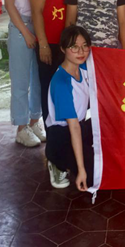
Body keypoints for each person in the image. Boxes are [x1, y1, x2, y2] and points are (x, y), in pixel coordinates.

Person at [29, 0, 84, 122]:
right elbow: (36, 12)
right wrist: (43, 44)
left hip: (75, 46)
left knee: (75, 88)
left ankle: (73, 131)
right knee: (50, 88)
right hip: (51, 44)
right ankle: (52, 132)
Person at [0, 0, 45, 147]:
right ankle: (20, 127)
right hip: (20, 27)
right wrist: (26, 33)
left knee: (39, 79)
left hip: (41, 25)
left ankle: (35, 121)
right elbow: (9, 4)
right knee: (20, 80)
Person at [45, 25, 94, 191]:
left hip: (79, 126)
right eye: (74, 47)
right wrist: (81, 170)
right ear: (63, 49)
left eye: (85, 46)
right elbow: (73, 127)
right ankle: (56, 162)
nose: (81, 51)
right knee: (93, 176)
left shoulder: (84, 68)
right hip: (61, 136)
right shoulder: (61, 82)